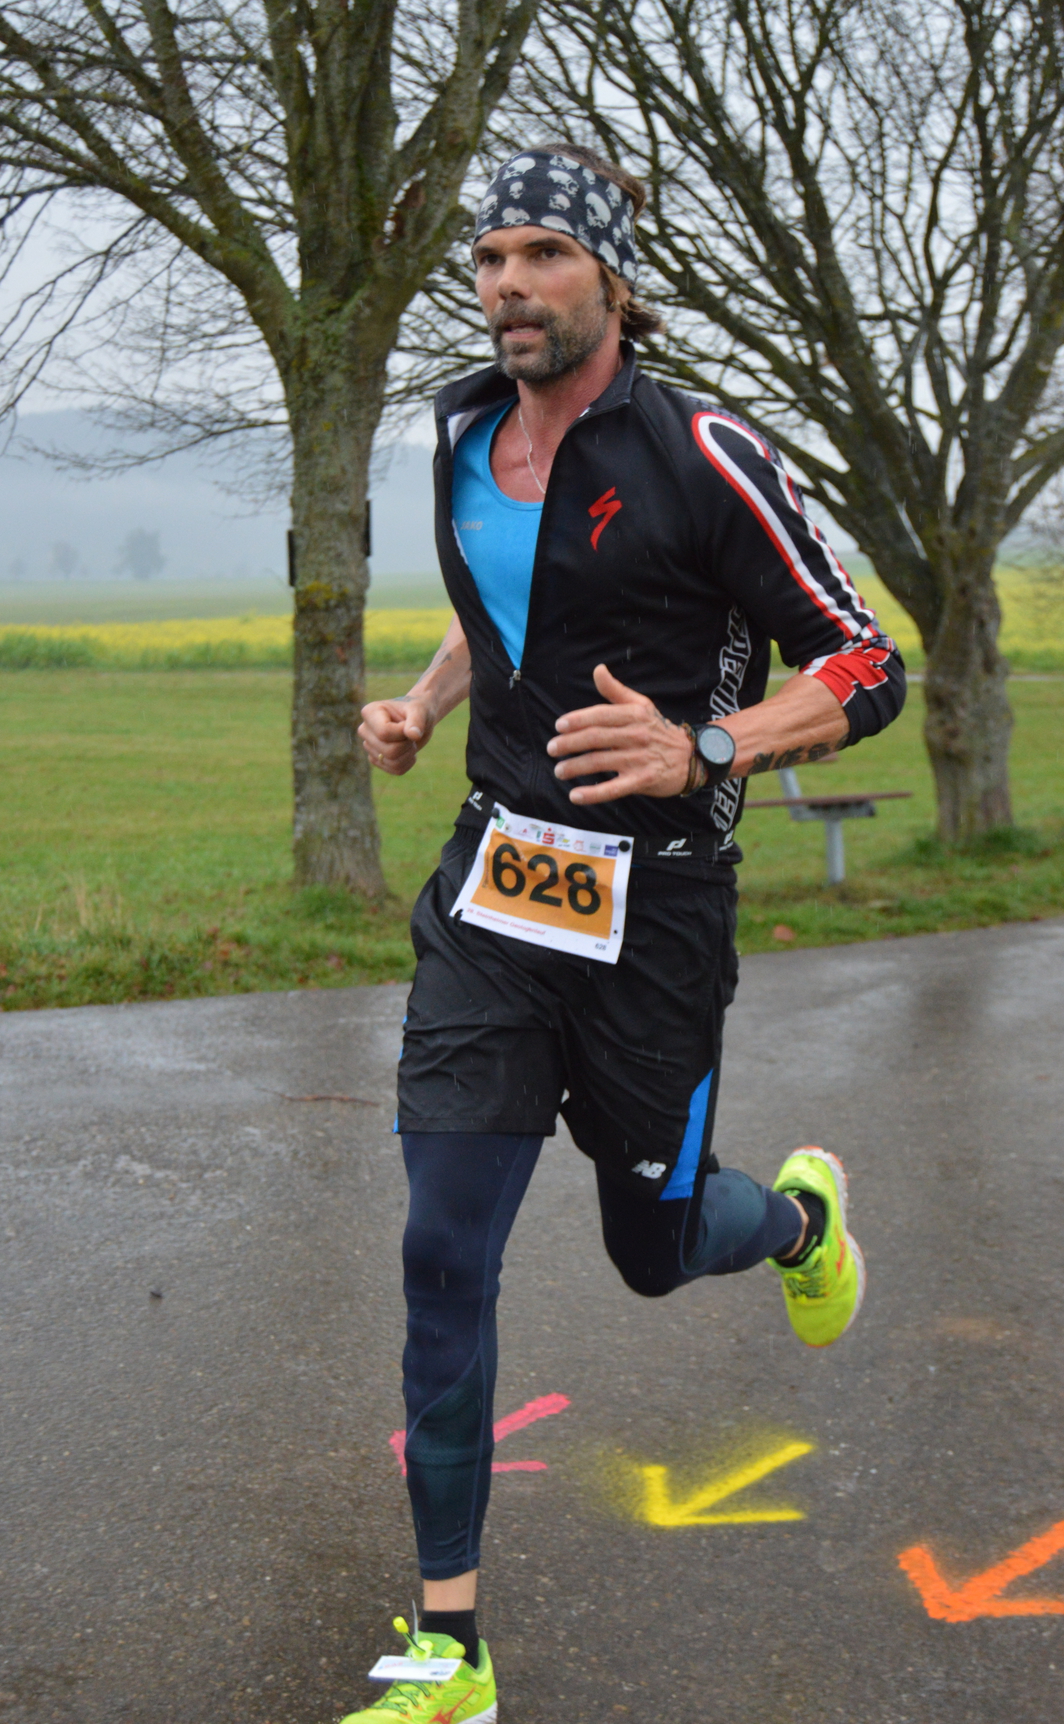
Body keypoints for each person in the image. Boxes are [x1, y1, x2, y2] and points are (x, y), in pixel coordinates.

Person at [346, 143, 906, 1723]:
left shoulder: (704, 453)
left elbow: (863, 663)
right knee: (441, 1251)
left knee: (650, 1251)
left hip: (654, 909)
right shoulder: (463, 429)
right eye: (488, 258)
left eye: (542, 253)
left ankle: (792, 1225)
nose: (507, 284)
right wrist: (425, 703)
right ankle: (449, 1647)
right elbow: (502, 599)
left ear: (608, 277)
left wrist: (706, 746)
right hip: (493, 895)